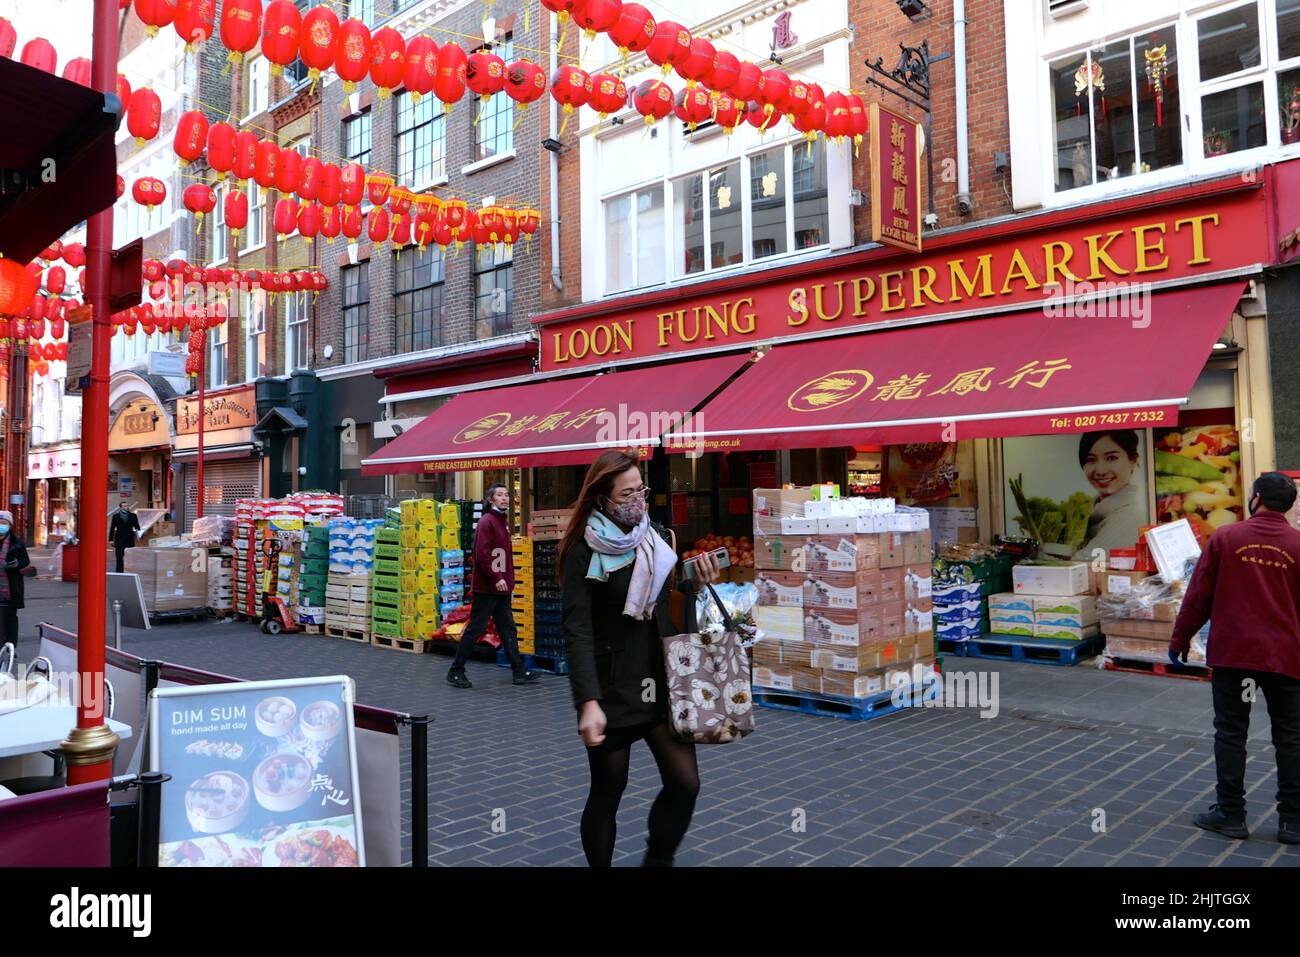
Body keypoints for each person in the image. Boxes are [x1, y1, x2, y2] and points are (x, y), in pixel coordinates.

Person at [560, 450, 721, 867]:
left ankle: (657, 860)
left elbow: (669, 604)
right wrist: (587, 701)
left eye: (641, 490)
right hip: (613, 685)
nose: (638, 501)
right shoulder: (583, 551)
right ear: (602, 499)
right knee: (609, 790)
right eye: (627, 494)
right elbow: (577, 630)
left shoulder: (658, 538)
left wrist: (697, 585)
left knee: (686, 783)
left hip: (662, 678)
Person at [1170, 472, 1300, 845]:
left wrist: (1180, 638)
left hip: (1236, 658)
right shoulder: (1297, 543)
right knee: (1290, 737)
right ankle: (1292, 821)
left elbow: (1199, 594)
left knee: (1231, 732)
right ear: (1289, 504)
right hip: (1285, 659)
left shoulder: (1227, 538)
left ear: (1256, 498)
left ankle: (1231, 814)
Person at [446, 485, 540, 689]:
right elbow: (482, 554)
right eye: (500, 495)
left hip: (501, 588)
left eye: (507, 495)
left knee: (508, 628)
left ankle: (518, 671)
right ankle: (455, 670)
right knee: (476, 628)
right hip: (487, 588)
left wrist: (507, 582)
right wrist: (497, 577)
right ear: (491, 500)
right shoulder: (487, 522)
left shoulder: (501, 522)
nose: (505, 498)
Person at [1073, 430, 1144, 559]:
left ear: (1133, 460)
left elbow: (1082, 563)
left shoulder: (1127, 518)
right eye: (1091, 460)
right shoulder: (1093, 513)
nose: (1100, 471)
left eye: (1111, 458)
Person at [0, 511, 31, 659]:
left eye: (4, 523)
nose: (1, 526)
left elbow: (25, 560)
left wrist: (16, 564)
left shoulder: (16, 542)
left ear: (10, 525)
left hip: (11, 587)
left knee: (11, 619)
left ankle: (11, 646)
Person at [110, 501, 141, 574]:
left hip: (129, 538)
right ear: (120, 508)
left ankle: (128, 570)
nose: (126, 507)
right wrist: (111, 539)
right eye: (124, 506)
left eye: (127, 506)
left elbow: (137, 526)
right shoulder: (116, 516)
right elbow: (112, 528)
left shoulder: (133, 515)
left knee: (129, 556)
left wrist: (139, 533)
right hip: (119, 538)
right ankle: (119, 571)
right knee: (119, 556)